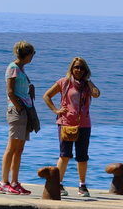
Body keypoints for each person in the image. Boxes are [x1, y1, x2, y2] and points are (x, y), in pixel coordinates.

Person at [43, 56, 101, 197]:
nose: (79, 70)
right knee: (65, 155)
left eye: (82, 67)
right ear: (71, 68)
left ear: (85, 70)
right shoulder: (64, 82)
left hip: (84, 124)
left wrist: (90, 83)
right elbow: (46, 96)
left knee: (82, 156)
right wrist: (56, 110)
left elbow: (97, 94)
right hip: (66, 123)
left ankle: (82, 185)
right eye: (76, 67)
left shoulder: (87, 85)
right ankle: (58, 183)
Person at [0, 41, 36, 195]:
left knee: (19, 149)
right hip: (16, 111)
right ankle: (4, 182)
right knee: (12, 147)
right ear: (26, 54)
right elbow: (10, 91)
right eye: (31, 54)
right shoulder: (13, 68)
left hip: (24, 110)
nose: (32, 57)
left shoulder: (21, 69)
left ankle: (14, 181)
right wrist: (19, 107)